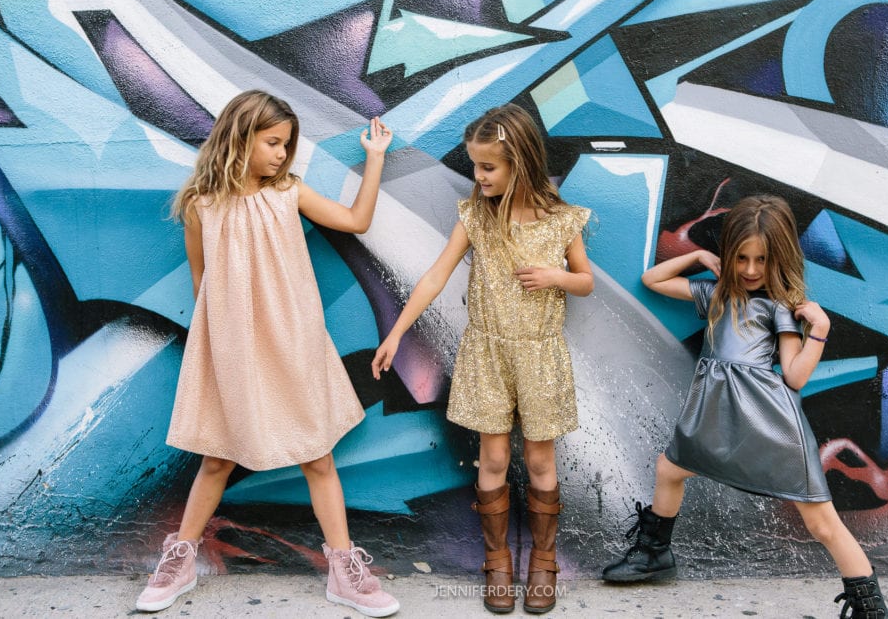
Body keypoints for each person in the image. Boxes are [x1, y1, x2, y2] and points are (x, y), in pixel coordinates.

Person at [136, 90, 399, 618]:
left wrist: (374, 160)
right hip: (232, 348)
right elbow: (200, 280)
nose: (282, 154)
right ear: (240, 137)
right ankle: (180, 559)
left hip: (293, 341)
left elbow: (355, 221)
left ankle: (344, 568)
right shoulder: (201, 206)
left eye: (287, 145)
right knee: (217, 455)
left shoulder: (288, 193)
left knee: (317, 456)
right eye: (273, 142)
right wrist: (216, 347)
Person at [602, 195, 888, 619]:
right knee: (670, 469)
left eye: (762, 260)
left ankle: (871, 608)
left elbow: (793, 376)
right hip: (715, 412)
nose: (751, 270)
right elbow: (653, 280)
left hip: (769, 420)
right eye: (741, 258)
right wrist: (699, 254)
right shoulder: (718, 294)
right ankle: (654, 555)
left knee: (821, 522)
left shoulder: (780, 308)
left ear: (779, 258)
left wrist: (821, 330)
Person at [371, 103, 593, 614]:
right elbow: (435, 275)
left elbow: (585, 280)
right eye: (475, 165)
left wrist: (556, 277)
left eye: (488, 167)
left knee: (540, 460)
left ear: (520, 162)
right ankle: (497, 562)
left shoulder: (560, 219)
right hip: (486, 352)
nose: (479, 176)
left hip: (540, 355)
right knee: (493, 458)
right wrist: (397, 333)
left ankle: (543, 561)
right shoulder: (476, 216)